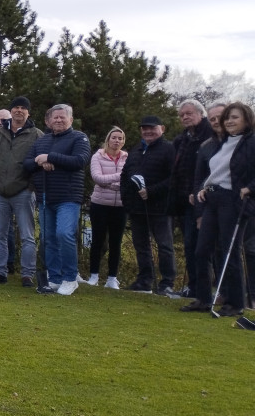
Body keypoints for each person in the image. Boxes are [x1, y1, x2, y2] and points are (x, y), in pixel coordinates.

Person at [181, 102, 255, 315]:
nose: (229, 121)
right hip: (212, 199)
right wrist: (205, 187)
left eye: (235, 117)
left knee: (229, 251)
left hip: (232, 201)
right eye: (227, 118)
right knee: (202, 250)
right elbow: (216, 172)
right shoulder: (221, 142)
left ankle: (236, 303)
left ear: (246, 120)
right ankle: (203, 299)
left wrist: (249, 188)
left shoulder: (250, 142)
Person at [24, 104, 90, 295]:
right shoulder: (42, 141)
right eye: (55, 117)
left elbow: (80, 160)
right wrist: (40, 161)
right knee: (48, 239)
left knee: (64, 234)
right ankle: (54, 278)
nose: (59, 120)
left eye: (63, 117)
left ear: (71, 119)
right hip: (45, 197)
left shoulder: (79, 138)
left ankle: (70, 278)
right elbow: (27, 164)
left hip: (68, 197)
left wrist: (50, 157)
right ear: (49, 121)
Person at [0, 96, 40, 286]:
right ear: (11, 111)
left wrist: (31, 187)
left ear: (28, 112)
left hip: (24, 192)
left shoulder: (37, 135)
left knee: (27, 236)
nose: (19, 110)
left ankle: (27, 274)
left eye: (23, 108)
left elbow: (39, 163)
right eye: (16, 107)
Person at [121, 115, 177, 296]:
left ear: (162, 129)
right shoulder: (136, 149)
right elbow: (125, 175)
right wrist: (126, 199)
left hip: (161, 207)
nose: (148, 131)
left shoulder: (169, 149)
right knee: (141, 246)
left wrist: (151, 191)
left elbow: (174, 178)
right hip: (137, 208)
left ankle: (167, 283)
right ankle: (145, 281)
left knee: (164, 246)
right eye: (144, 128)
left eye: (152, 128)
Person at [171, 100, 212, 299]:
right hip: (185, 201)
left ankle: (211, 290)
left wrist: (199, 191)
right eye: (182, 115)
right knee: (190, 245)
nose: (185, 117)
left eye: (189, 113)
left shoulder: (211, 136)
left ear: (201, 114)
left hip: (206, 198)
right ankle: (194, 287)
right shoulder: (182, 139)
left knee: (206, 247)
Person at [86, 127, 128, 289]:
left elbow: (129, 180)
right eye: (114, 137)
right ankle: (94, 275)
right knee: (98, 240)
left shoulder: (127, 158)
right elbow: (98, 178)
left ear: (123, 141)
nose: (117, 141)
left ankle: (112, 278)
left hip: (120, 206)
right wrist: (120, 179)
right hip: (100, 204)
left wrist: (110, 183)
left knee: (116, 242)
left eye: (120, 138)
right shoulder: (98, 156)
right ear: (108, 140)